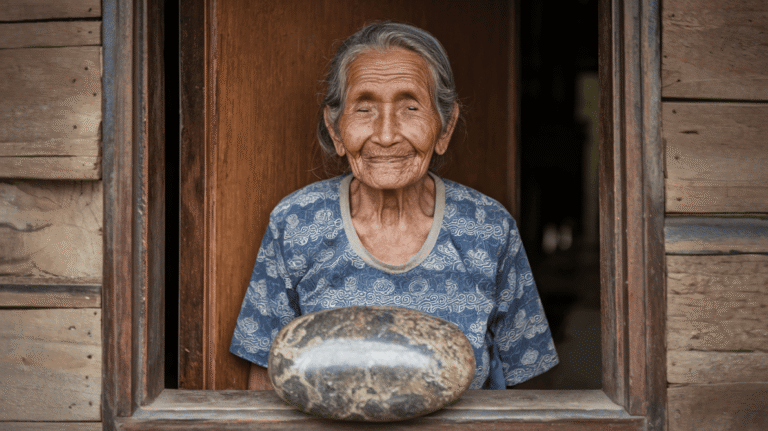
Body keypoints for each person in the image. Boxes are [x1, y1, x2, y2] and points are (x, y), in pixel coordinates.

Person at [230, 21, 558, 390]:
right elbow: (265, 373)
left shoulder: (488, 228)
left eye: (410, 107)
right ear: (336, 130)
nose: (386, 135)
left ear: (445, 127)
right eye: (364, 109)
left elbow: (525, 378)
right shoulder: (296, 223)